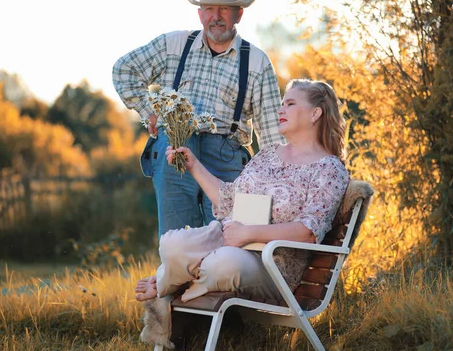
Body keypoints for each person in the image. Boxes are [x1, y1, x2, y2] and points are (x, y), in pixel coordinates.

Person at [135, 79, 350, 305]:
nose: (281, 109)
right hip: (225, 242)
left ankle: (172, 282)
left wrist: (248, 233)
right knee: (171, 244)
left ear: (315, 113)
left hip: (271, 266)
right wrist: (194, 165)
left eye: (290, 104)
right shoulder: (268, 154)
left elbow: (308, 231)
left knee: (224, 263)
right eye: (282, 104)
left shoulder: (329, 169)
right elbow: (228, 201)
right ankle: (181, 279)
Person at [112, 0, 285, 238]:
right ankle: (176, 279)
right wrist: (150, 111)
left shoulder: (257, 63)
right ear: (200, 14)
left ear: (239, 14)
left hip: (226, 155)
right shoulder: (175, 44)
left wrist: (281, 187)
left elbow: (273, 139)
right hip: (175, 148)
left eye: (224, 10)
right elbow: (124, 70)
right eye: (209, 9)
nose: (216, 16)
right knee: (176, 240)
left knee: (226, 242)